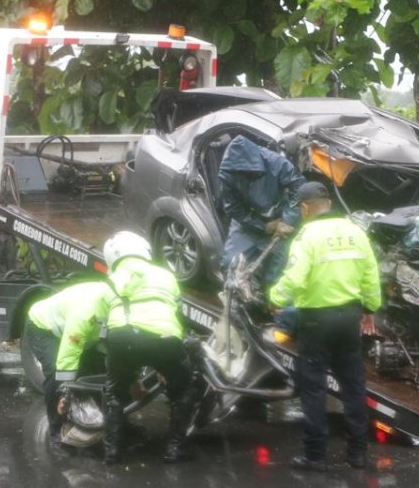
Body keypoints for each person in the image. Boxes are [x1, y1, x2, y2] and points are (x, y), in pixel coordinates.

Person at [268, 181, 381, 472]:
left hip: (317, 320)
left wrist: (274, 298)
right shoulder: (355, 231)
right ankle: (358, 453)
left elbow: (295, 276)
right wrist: (369, 308)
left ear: (305, 208)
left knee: (314, 387)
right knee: (354, 385)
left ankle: (315, 455)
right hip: (348, 319)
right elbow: (371, 275)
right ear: (328, 202)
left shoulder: (307, 236)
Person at [100, 230, 201, 465]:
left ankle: (111, 451)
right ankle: (174, 449)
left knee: (114, 392)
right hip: (164, 337)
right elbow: (177, 310)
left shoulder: (110, 279)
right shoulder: (166, 275)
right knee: (184, 389)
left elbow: (104, 315)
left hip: (122, 337)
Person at [25, 280, 114, 444]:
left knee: (97, 371)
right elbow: (68, 357)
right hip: (44, 327)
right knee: (56, 373)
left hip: (83, 331)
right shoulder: (85, 311)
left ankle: (102, 422)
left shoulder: (116, 304)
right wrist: (64, 395)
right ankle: (56, 428)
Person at [217, 135, 305, 284]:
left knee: (277, 272)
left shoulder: (275, 163)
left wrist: (287, 220)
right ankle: (238, 298)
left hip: (281, 218)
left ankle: (268, 298)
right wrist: (263, 226)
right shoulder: (228, 173)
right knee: (228, 264)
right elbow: (233, 207)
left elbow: (298, 186)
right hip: (248, 222)